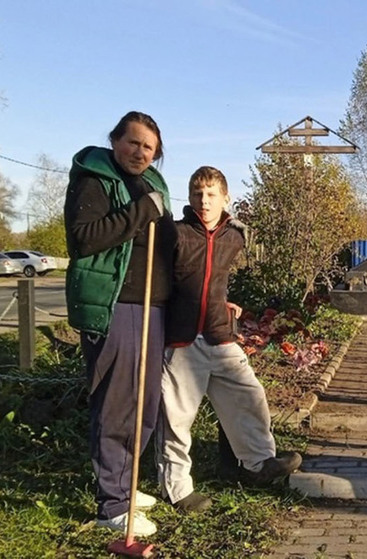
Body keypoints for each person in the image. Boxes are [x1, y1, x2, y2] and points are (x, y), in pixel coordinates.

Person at [156, 166, 302, 513]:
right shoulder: (174, 235)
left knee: (249, 396)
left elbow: (212, 277)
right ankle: (175, 489)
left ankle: (258, 464)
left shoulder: (234, 236)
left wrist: (221, 302)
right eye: (197, 195)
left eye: (210, 195)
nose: (203, 202)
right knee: (176, 420)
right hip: (182, 341)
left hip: (221, 335)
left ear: (225, 198)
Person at [64, 111, 176, 536]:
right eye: (133, 142)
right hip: (117, 304)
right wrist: (139, 212)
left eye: (149, 147)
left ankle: (126, 483)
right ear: (115, 141)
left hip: (154, 307)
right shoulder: (95, 178)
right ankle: (111, 503)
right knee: (116, 402)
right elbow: (83, 239)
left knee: (144, 402)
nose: (140, 152)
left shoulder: (154, 185)